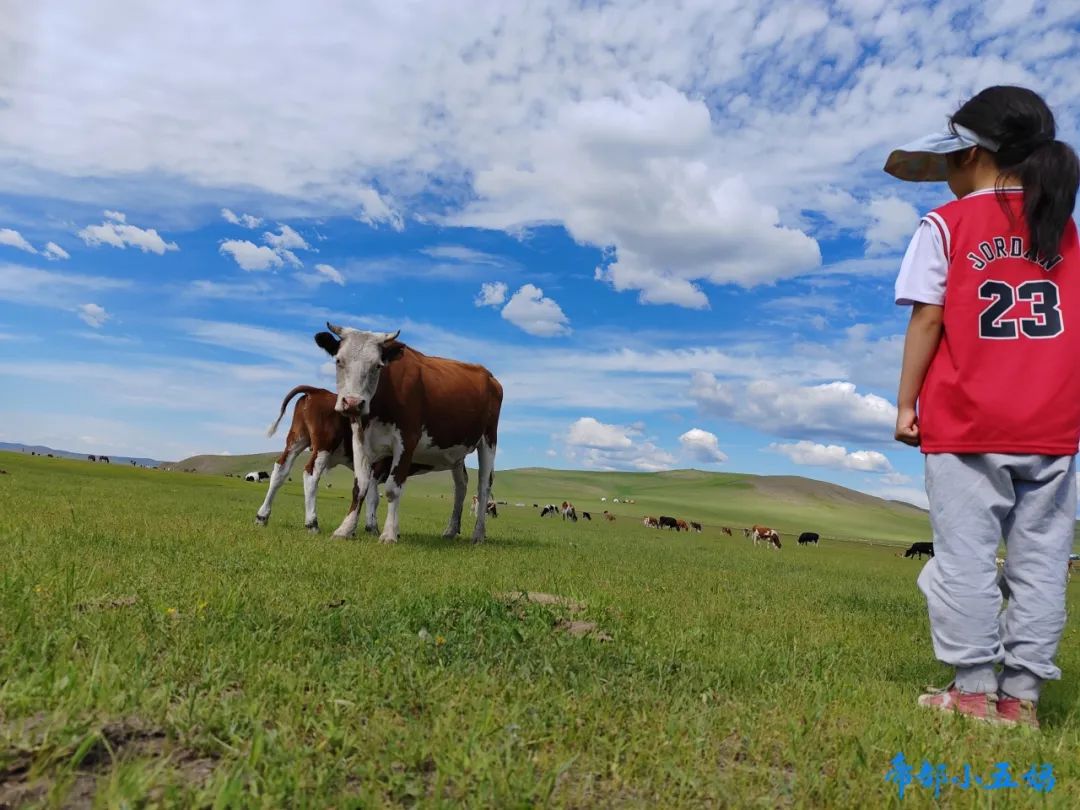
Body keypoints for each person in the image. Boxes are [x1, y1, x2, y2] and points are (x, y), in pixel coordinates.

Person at [886, 86, 1080, 729]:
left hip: (968, 421)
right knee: (1042, 563)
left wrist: (906, 404)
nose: (941, 171)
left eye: (947, 157)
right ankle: (1020, 700)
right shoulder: (1064, 230)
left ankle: (972, 694)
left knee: (963, 560)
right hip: (1053, 427)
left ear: (971, 153)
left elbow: (928, 319)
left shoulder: (947, 224)